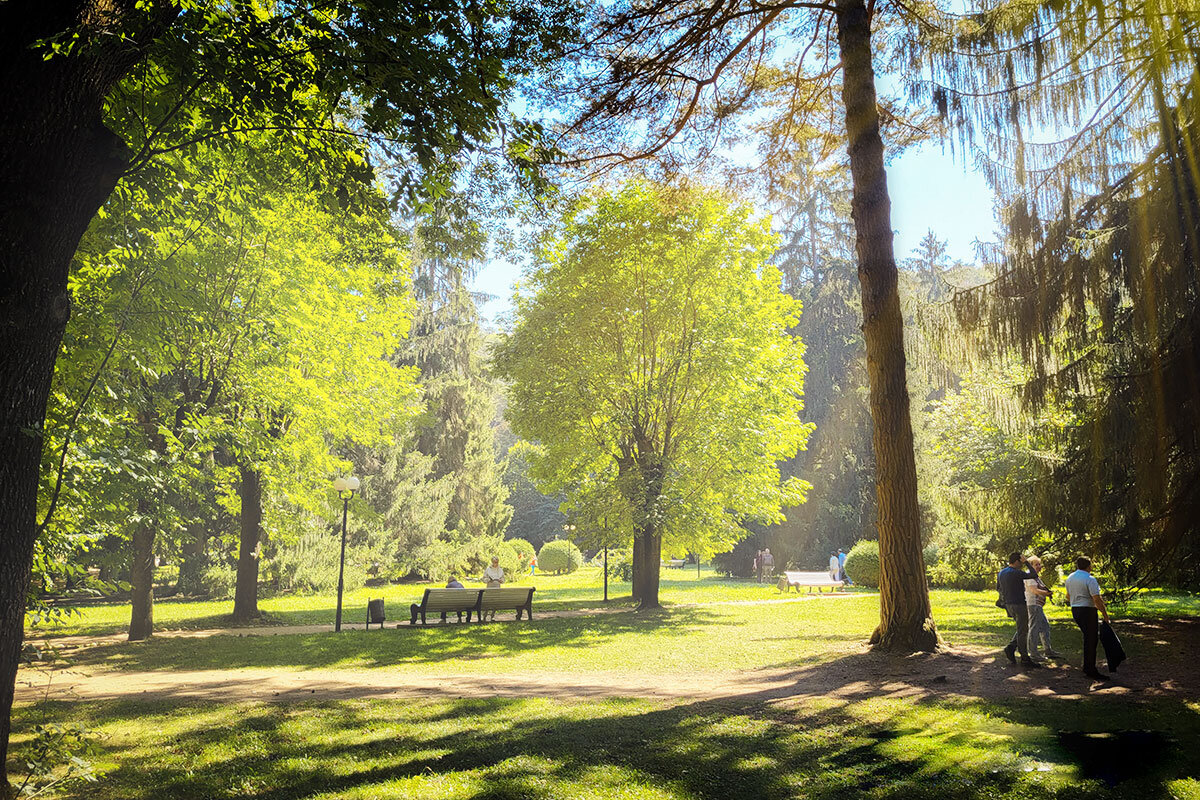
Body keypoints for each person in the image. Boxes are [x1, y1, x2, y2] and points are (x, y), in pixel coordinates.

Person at [1064, 556, 1111, 680]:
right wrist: (1105, 615)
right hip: (1088, 610)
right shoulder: (1090, 579)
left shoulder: (1070, 578)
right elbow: (1096, 599)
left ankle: (1087, 665)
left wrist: (1076, 599)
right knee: (1091, 639)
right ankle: (1090, 669)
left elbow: (1068, 596)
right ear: (1089, 566)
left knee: (1087, 637)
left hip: (1076, 609)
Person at [997, 552, 1041, 668]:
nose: (1021, 565)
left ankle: (1011, 648)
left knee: (1021, 628)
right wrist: (1027, 562)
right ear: (1017, 561)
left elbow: (998, 588)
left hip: (1008, 604)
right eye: (1021, 563)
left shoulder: (1001, 573)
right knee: (1023, 632)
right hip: (1019, 604)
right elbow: (1033, 574)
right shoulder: (1016, 573)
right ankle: (1025, 658)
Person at [1023, 556, 1062, 661]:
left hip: (1038, 605)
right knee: (1034, 629)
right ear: (1031, 565)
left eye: (1039, 564)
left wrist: (1047, 593)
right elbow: (1034, 590)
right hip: (1033, 605)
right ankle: (1033, 653)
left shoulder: (1035, 576)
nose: (1039, 566)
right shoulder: (1029, 576)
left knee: (1045, 626)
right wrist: (1046, 593)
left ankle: (1048, 650)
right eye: (1037, 564)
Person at [482, 556, 505, 621]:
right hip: (490, 586)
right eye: (495, 562)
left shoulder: (500, 569)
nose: (496, 563)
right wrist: (488, 579)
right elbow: (484, 578)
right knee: (488, 602)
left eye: (497, 562)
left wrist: (501, 580)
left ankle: (492, 615)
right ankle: (485, 615)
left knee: (496, 602)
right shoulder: (488, 569)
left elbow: (503, 578)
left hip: (497, 587)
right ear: (492, 562)